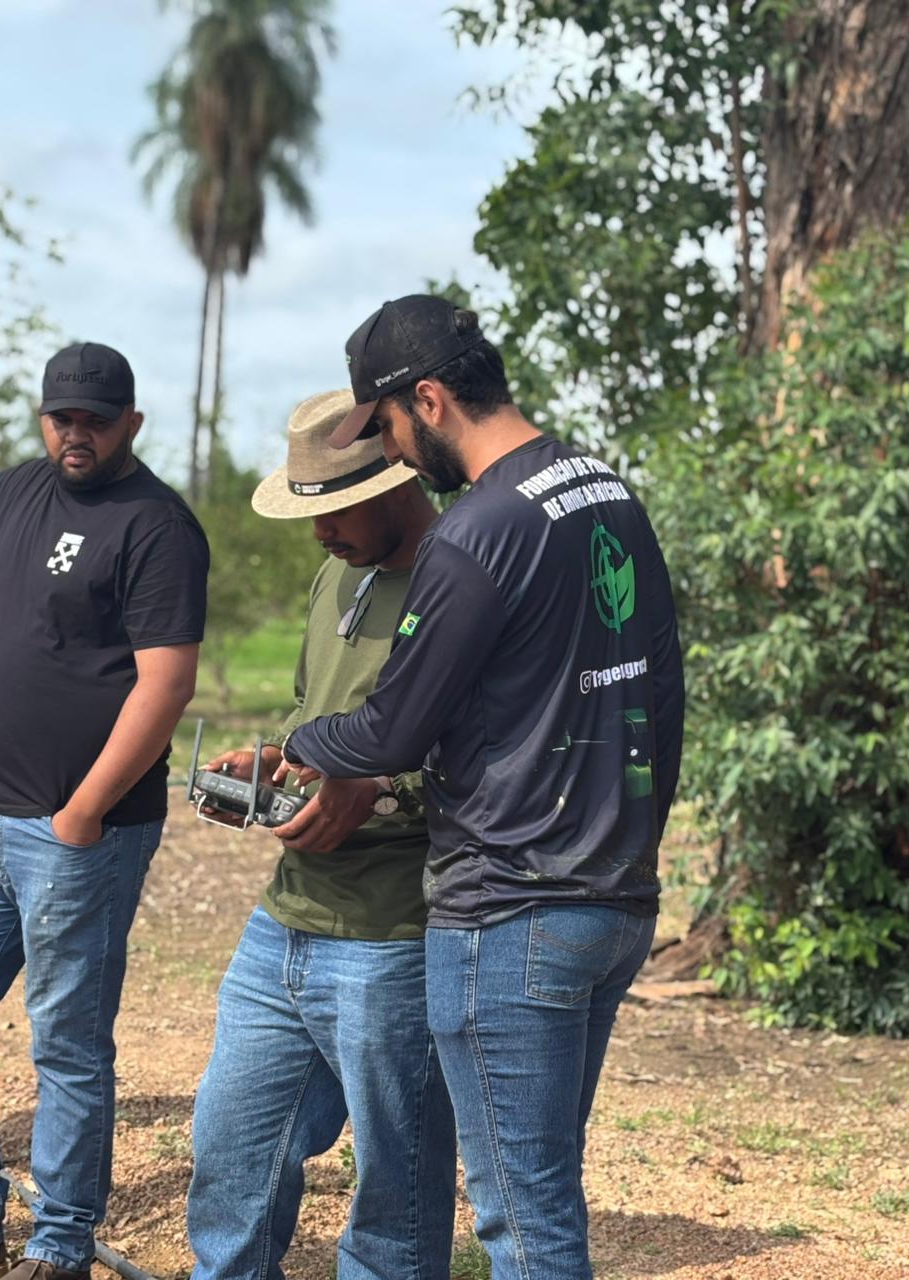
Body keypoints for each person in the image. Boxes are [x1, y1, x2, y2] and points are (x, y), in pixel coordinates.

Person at [279, 297, 686, 1279]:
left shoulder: (479, 529)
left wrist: (300, 735)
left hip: (513, 910)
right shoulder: (600, 489)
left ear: (428, 397)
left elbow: (392, 729)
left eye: (386, 428)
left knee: (524, 1221)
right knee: (546, 1184)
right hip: (613, 895)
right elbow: (657, 683)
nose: (394, 453)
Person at [186, 389, 455, 1280]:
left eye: (336, 509)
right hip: (286, 920)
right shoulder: (336, 570)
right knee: (229, 1146)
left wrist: (376, 789)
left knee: (394, 1188)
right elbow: (317, 715)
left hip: (394, 934)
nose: (320, 532)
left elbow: (493, 753)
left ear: (399, 478)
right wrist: (274, 760)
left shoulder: (467, 577)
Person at [0, 343, 209, 1280]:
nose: (75, 433)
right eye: (61, 417)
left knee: (67, 1043)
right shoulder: (7, 496)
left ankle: (61, 1243)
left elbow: (165, 685)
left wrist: (80, 813)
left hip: (79, 830)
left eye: (96, 418)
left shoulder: (156, 525)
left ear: (131, 423)